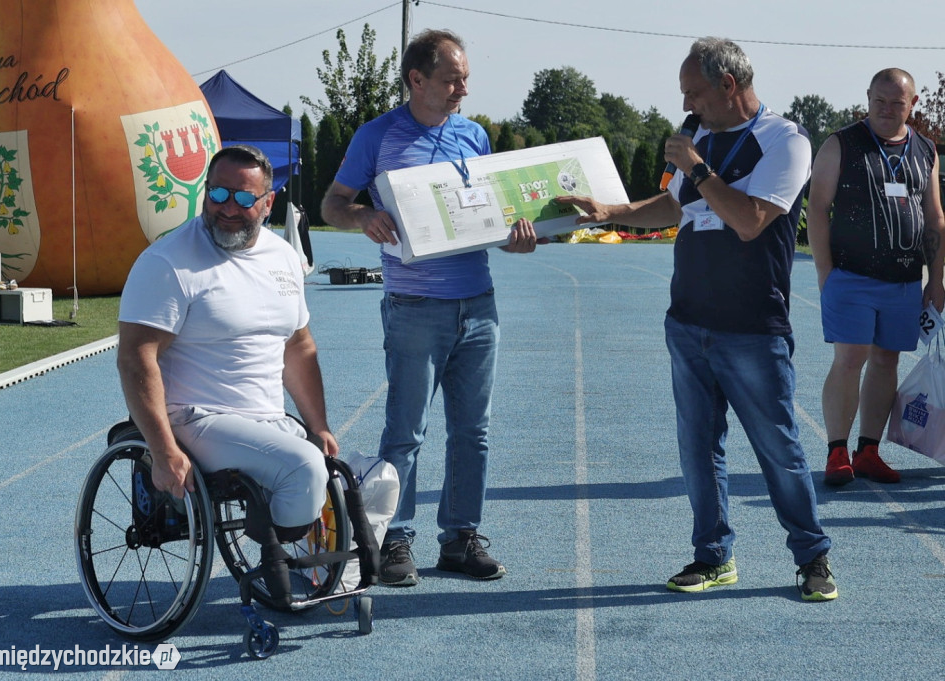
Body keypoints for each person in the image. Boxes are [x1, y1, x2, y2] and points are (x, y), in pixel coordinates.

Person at [556, 37, 837, 601]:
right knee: (698, 446)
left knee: (778, 448)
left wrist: (699, 166)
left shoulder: (785, 141)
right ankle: (712, 557)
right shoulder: (703, 139)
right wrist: (612, 212)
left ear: (728, 85)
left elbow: (750, 220)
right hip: (688, 320)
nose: (687, 105)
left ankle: (813, 557)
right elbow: (677, 205)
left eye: (694, 92)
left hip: (753, 327)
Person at [320, 28, 542, 587]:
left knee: (474, 430)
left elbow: (491, 218)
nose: (462, 89)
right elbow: (332, 203)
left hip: (478, 303)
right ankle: (395, 540)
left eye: (465, 78)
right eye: (451, 79)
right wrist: (361, 216)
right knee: (407, 432)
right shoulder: (378, 135)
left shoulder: (475, 135)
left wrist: (516, 237)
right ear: (417, 80)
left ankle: (461, 538)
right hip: (415, 305)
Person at [117, 145, 338, 598]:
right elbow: (137, 356)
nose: (228, 209)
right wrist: (161, 451)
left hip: (268, 420)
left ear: (268, 202)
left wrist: (318, 426)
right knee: (303, 469)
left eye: (243, 197)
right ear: (204, 193)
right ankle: (281, 553)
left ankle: (303, 559)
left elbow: (298, 347)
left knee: (348, 473)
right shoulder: (168, 263)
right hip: (198, 417)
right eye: (217, 194)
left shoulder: (282, 258)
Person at [808, 68, 945, 487]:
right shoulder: (841, 144)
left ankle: (868, 451)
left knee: (887, 360)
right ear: (867, 98)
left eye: (896, 103)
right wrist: (825, 272)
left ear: (913, 104)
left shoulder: (926, 150)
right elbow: (816, 207)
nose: (886, 110)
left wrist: (936, 281)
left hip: (903, 280)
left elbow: (935, 220)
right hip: (850, 276)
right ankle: (836, 452)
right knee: (851, 359)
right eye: (879, 101)